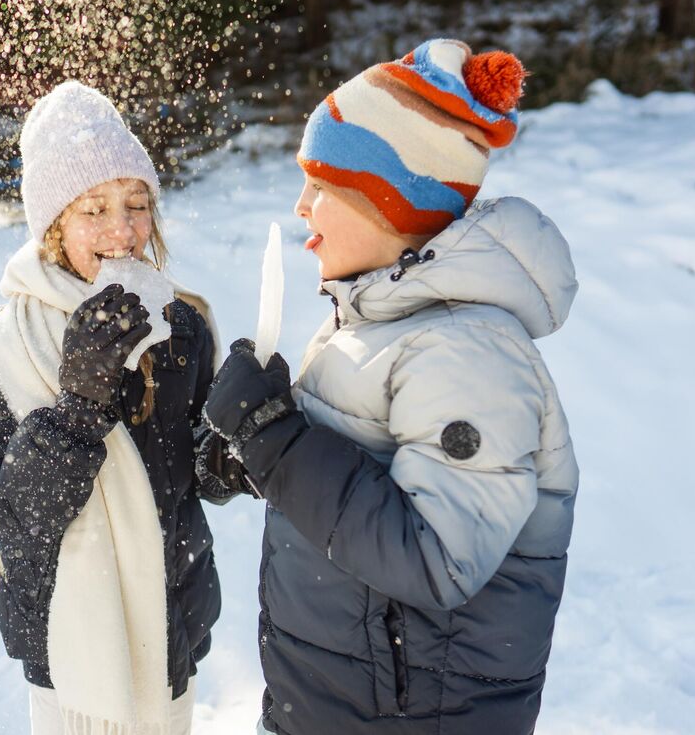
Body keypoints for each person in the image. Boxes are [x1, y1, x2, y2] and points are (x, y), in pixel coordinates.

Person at [199, 39, 579, 734]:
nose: (302, 205)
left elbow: (436, 555)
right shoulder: (376, 322)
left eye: (322, 184)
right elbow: (355, 476)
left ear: (389, 203)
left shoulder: (469, 353)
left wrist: (276, 441)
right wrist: (253, 455)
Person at [0, 80, 221, 735]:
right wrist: (76, 408)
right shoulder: (5, 344)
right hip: (66, 655)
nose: (122, 230)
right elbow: (1, 510)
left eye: (137, 205)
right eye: (93, 210)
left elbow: (202, 473)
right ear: (52, 227)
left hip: (172, 635)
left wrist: (240, 444)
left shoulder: (182, 323)